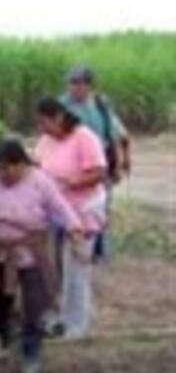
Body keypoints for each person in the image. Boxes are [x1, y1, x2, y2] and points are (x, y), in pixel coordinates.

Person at [0, 137, 84, 373]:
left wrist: (75, 231)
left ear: (21, 163)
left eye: (7, 168)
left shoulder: (40, 182)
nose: (2, 174)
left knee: (35, 308)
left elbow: (62, 208)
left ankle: (31, 355)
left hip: (31, 253)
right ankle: (4, 340)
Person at [34, 96, 106, 339]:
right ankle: (59, 316)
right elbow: (38, 163)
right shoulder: (46, 139)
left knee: (76, 268)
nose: (42, 129)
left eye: (45, 123)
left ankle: (76, 325)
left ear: (58, 118)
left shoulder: (84, 137)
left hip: (83, 211)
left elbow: (99, 172)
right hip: (56, 213)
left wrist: (75, 181)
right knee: (55, 268)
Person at [60, 65, 131, 261]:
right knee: (77, 206)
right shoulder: (63, 106)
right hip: (76, 165)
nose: (74, 87)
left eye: (79, 82)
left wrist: (119, 163)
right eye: (72, 82)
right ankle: (79, 246)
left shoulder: (101, 104)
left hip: (102, 163)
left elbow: (115, 134)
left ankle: (98, 250)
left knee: (101, 205)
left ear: (89, 85)